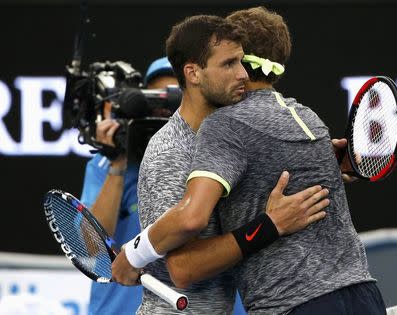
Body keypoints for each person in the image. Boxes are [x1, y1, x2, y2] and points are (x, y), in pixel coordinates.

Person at [113, 15, 331, 314]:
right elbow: (183, 267)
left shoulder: (232, 138)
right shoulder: (171, 151)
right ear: (193, 73)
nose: (243, 74)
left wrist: (325, 160)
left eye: (242, 62)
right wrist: (268, 226)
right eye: (229, 64)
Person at [80, 56, 177, 315]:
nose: (165, 110)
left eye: (175, 99)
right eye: (154, 100)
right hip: (119, 308)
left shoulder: (219, 153)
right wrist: (118, 163)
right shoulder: (107, 162)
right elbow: (92, 249)